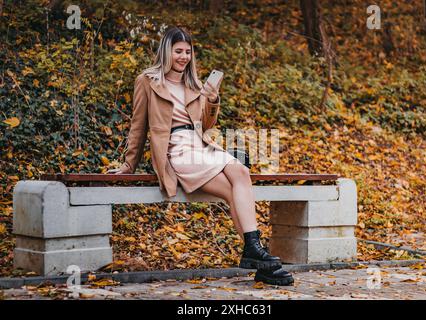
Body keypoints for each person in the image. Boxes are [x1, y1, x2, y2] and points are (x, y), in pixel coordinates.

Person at [108, 26, 293, 285]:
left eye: (187, 51)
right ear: (166, 52)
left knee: (238, 177)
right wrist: (129, 164)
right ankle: (257, 255)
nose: (183, 57)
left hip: (201, 144)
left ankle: (256, 257)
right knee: (238, 177)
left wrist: (213, 100)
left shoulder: (193, 84)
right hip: (176, 150)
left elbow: (205, 125)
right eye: (178, 51)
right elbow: (138, 125)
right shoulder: (148, 81)